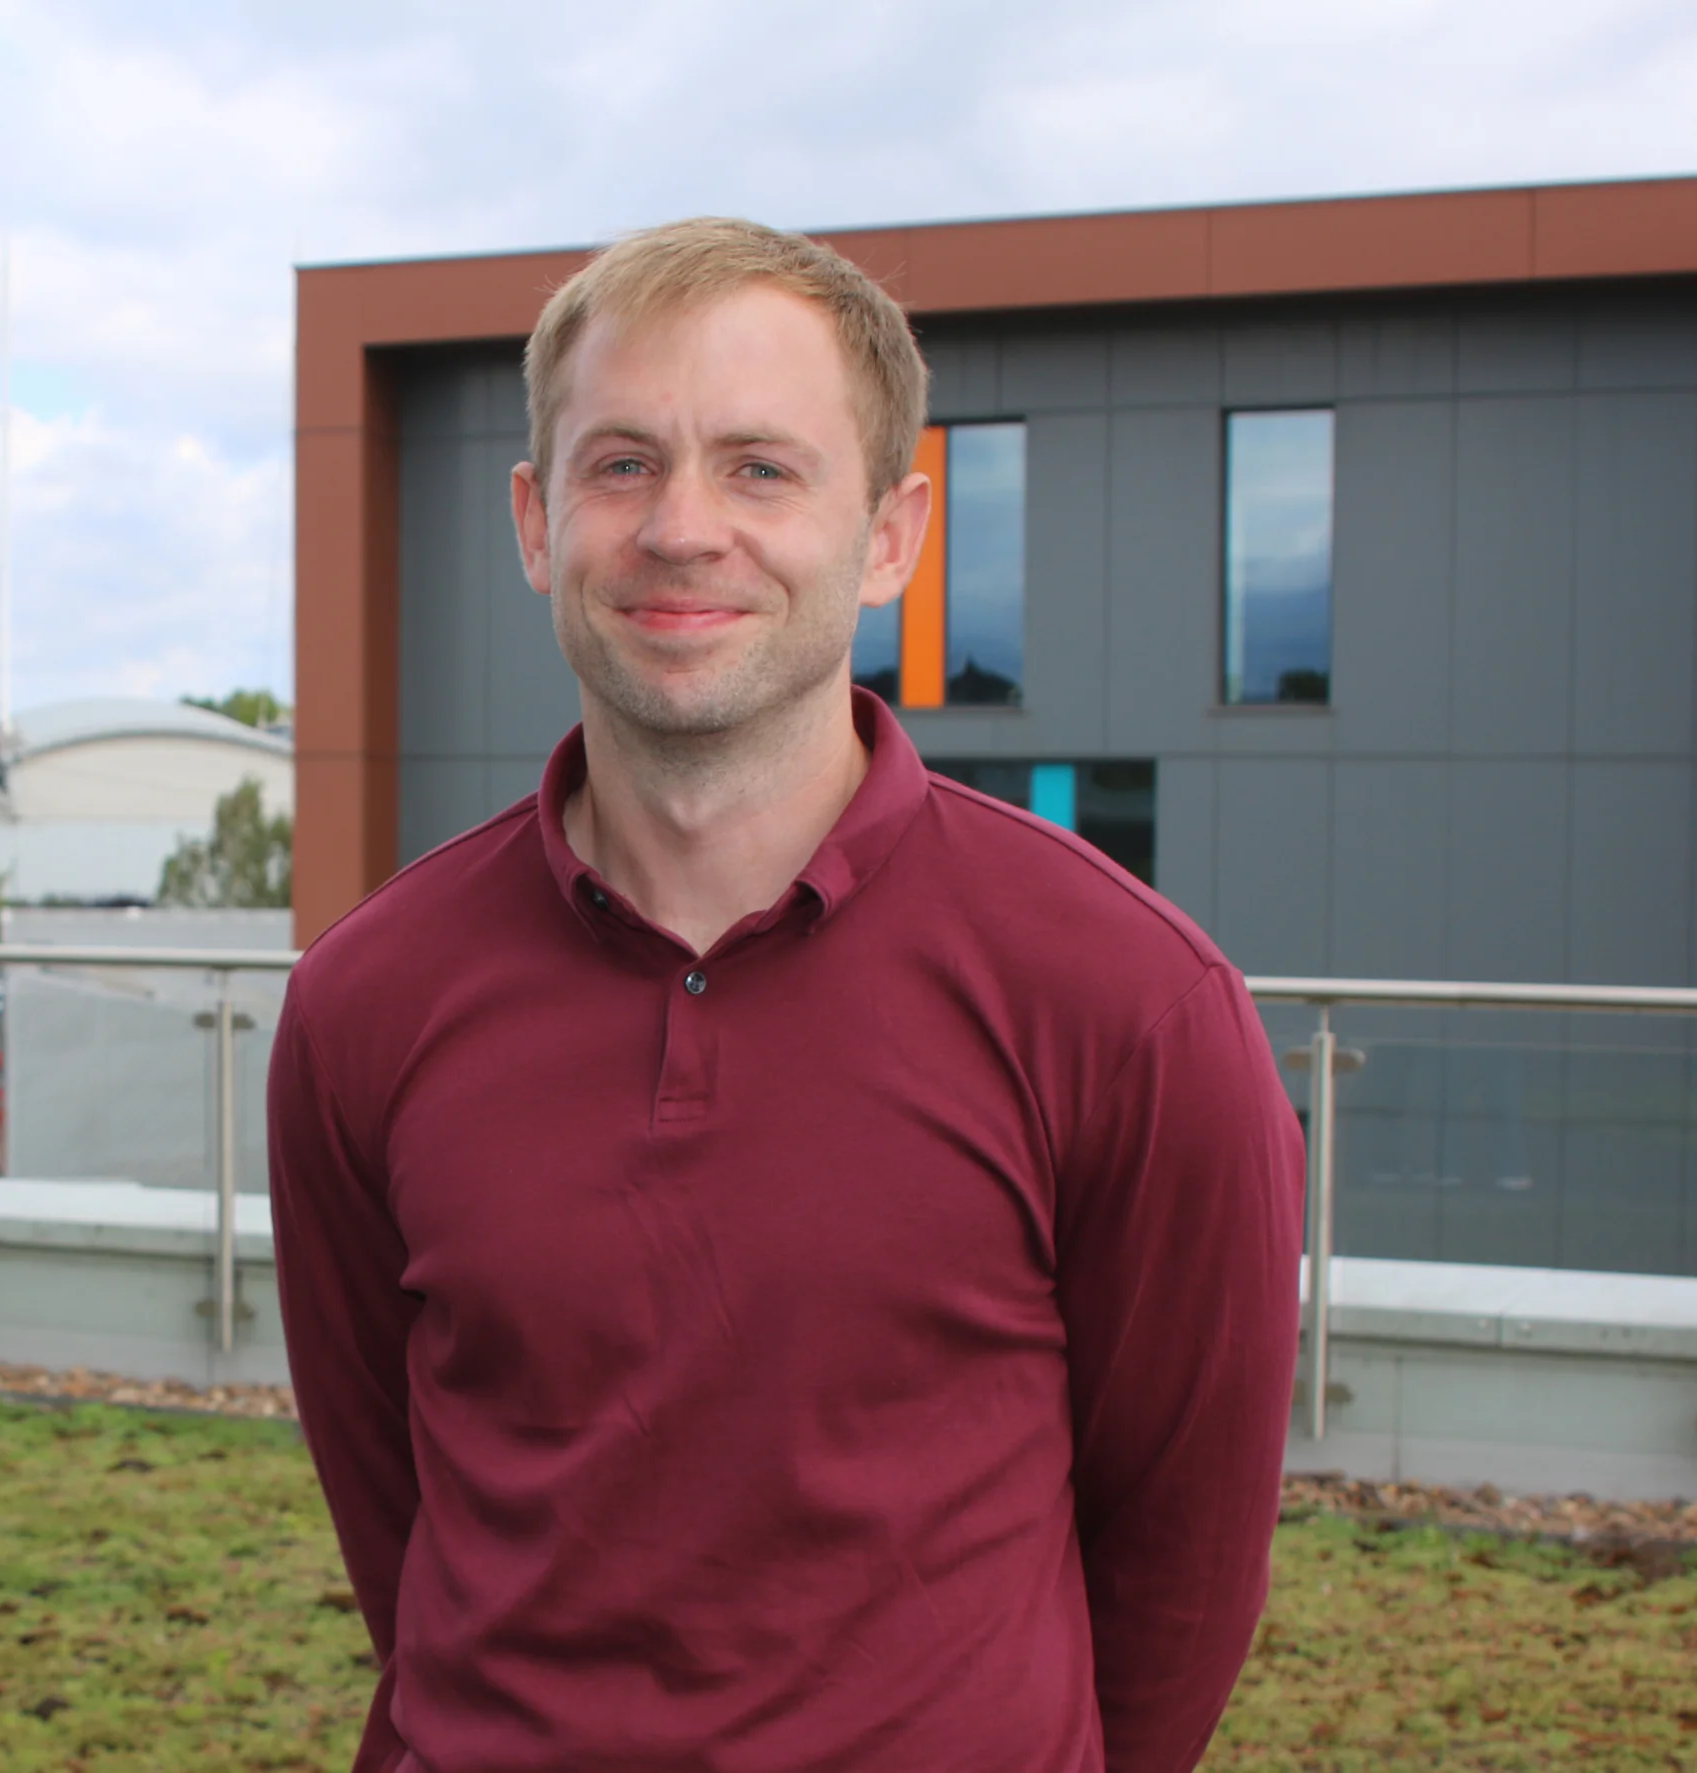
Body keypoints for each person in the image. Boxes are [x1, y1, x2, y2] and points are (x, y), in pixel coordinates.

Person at [267, 217, 1305, 1772]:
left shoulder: (1133, 1006)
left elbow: (1181, 1570)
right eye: (623, 465)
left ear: (891, 536)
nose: (684, 529)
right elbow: (394, 1517)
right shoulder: (365, 1001)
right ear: (537, 524)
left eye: (761, 469)